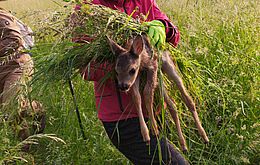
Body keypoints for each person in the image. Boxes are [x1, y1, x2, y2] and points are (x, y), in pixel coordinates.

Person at [78, 0, 189, 164]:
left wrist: (163, 27)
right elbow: (85, 69)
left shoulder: (142, 1)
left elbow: (174, 37)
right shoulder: (88, 9)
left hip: (157, 110)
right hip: (124, 118)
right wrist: (125, 65)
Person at [0, 8, 45, 150]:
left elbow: (14, 40)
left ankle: (25, 153)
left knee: (12, 110)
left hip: (16, 66)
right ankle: (36, 109)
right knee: (6, 112)